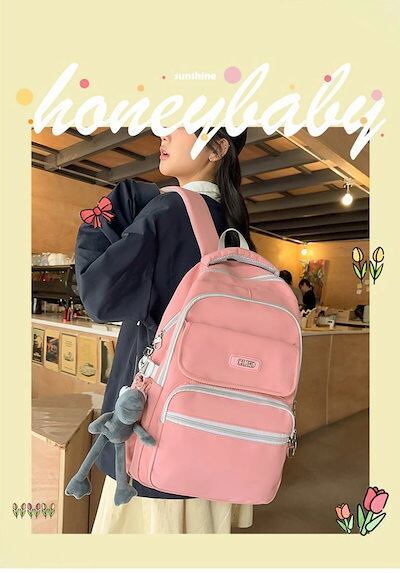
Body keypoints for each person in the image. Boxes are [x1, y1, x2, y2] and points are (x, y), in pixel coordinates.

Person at [74, 126, 255, 533]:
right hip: (216, 421)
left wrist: (102, 214)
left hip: (157, 423)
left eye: (180, 126)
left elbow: (101, 296)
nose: (164, 137)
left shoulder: (168, 212)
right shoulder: (235, 227)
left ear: (218, 148)